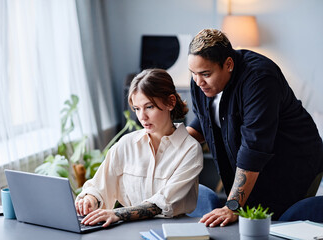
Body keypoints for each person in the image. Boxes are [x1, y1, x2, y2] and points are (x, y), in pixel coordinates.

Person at [186, 28, 323, 227]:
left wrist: (233, 206)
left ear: (229, 64)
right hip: (254, 172)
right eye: (193, 73)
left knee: (281, 227)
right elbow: (205, 121)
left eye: (205, 74)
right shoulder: (201, 82)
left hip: (293, 165)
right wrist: (170, 143)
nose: (198, 82)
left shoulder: (260, 79)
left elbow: (254, 147)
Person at [75, 68, 203, 227]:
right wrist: (90, 199)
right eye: (137, 108)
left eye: (149, 107)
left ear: (170, 102)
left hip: (172, 231)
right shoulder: (126, 144)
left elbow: (161, 204)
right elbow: (99, 186)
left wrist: (117, 213)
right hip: (130, 229)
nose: (142, 117)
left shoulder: (190, 150)